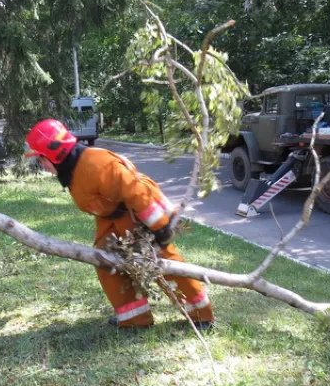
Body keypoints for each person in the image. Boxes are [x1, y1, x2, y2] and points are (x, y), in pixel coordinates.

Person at [24, 119, 215, 330]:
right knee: (107, 263)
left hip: (138, 213)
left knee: (163, 264)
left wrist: (160, 227)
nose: (41, 165)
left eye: (41, 160)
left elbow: (135, 192)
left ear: (54, 154)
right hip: (112, 219)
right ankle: (135, 319)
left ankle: (201, 315)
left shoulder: (98, 164)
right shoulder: (73, 170)